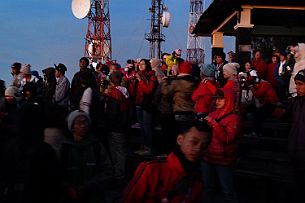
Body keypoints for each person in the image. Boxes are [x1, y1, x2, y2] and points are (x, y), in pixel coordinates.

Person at [122, 120, 212, 203]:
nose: (198, 149)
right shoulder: (152, 169)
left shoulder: (198, 178)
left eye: (204, 146)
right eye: (194, 142)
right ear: (180, 140)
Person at [60, 110, 114, 203]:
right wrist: (68, 188)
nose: (84, 125)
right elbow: (57, 174)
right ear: (72, 127)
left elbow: (108, 171)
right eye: (79, 123)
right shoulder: (64, 148)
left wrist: (88, 186)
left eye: (85, 122)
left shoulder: (96, 146)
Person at [203, 88, 240, 203]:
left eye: (221, 99)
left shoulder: (234, 119)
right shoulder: (212, 114)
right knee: (208, 189)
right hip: (208, 157)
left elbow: (227, 139)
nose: (217, 101)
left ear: (228, 100)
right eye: (216, 99)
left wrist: (214, 124)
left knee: (228, 191)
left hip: (223, 160)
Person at [104, 71, 129, 181]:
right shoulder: (124, 92)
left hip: (115, 127)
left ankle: (119, 175)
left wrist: (109, 124)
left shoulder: (114, 93)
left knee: (117, 152)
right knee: (120, 151)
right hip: (122, 125)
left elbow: (112, 112)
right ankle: (119, 174)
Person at [134, 59, 158, 156]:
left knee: (146, 127)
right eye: (140, 64)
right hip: (139, 104)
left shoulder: (151, 76)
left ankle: (148, 147)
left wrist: (140, 80)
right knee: (142, 127)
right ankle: (143, 146)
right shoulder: (138, 75)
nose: (140, 66)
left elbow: (148, 90)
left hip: (146, 104)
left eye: (143, 64)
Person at [288, 69, 305, 203]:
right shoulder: (296, 102)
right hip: (296, 153)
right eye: (296, 83)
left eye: (300, 84)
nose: (297, 87)